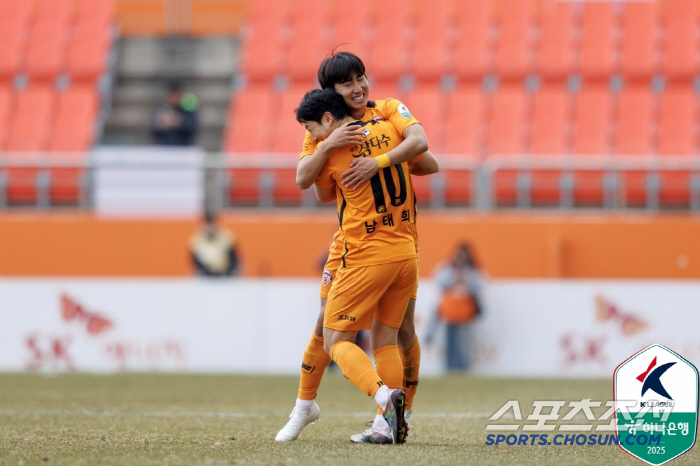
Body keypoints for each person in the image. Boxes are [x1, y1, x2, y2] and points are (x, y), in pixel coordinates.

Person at [275, 51, 438, 443]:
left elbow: (426, 159)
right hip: (357, 242)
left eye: (361, 77)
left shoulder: (387, 110)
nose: (359, 87)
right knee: (335, 325)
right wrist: (329, 144)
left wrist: (379, 162)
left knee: (392, 333)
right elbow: (318, 189)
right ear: (331, 95)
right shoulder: (322, 131)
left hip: (380, 245)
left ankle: (396, 413)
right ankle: (305, 408)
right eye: (348, 83)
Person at [426, 243, 484, 371]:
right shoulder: (448, 268)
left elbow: (479, 287)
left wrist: (467, 279)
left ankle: (463, 367)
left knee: (464, 342)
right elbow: (439, 282)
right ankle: (450, 367)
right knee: (450, 342)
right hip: (450, 311)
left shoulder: (473, 270)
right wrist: (454, 278)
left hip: (466, 312)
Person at [189, 212, 239, 277]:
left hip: (226, 274)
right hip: (205, 275)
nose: (210, 229)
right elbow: (196, 262)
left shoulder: (226, 238)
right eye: (207, 226)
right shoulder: (196, 241)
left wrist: (229, 272)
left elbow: (234, 258)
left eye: (212, 226)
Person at [150, 81, 199, 146]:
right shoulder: (162, 109)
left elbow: (193, 129)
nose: (173, 99)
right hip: (164, 147)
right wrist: (161, 125)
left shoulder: (188, 109)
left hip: (184, 148)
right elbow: (153, 131)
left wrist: (179, 121)